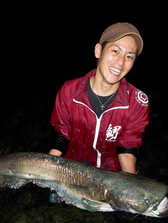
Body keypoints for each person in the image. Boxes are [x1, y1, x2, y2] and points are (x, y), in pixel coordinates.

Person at [49, 22, 150, 174]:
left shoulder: (137, 102)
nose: (121, 62)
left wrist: (129, 183)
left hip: (110, 173)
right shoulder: (69, 91)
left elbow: (127, 148)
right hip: (72, 168)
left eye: (129, 56)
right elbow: (62, 137)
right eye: (115, 51)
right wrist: (46, 169)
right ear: (98, 50)